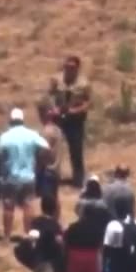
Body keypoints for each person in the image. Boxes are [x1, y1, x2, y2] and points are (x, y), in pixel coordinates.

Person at [0, 108, 49, 239]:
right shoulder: (32, 134)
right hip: (28, 177)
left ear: (11, 121)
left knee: (8, 207)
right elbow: (46, 147)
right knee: (28, 206)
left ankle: (7, 236)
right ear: (22, 120)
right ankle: (27, 233)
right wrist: (39, 161)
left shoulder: (5, 136)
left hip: (10, 177)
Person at [46, 57, 92, 188]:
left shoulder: (84, 84)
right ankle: (52, 177)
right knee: (53, 149)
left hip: (75, 120)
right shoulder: (57, 80)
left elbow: (87, 102)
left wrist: (75, 110)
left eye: (72, 67)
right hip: (58, 118)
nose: (69, 70)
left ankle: (78, 179)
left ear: (77, 68)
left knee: (76, 150)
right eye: (67, 67)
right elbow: (49, 95)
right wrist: (52, 108)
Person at [28, 195, 65, 272]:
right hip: (49, 262)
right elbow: (58, 244)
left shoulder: (36, 222)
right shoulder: (55, 225)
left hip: (37, 259)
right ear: (54, 209)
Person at [36, 102, 64, 208]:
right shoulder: (57, 129)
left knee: (47, 202)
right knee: (55, 198)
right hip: (56, 169)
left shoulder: (46, 132)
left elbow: (42, 152)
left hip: (47, 170)